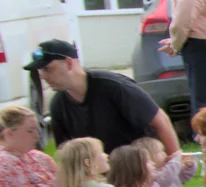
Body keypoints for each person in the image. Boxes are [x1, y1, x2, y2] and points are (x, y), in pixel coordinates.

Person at [29, 40, 181, 158]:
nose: (42, 76)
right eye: (40, 71)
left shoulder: (115, 87)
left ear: (69, 63)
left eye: (47, 69)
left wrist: (175, 165)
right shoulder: (57, 105)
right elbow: (66, 153)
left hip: (140, 169)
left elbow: (161, 121)